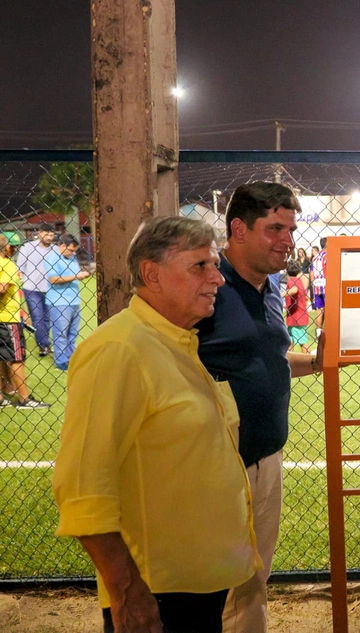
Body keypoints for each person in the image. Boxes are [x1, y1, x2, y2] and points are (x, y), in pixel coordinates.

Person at [52, 216, 260, 633]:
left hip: (194, 588)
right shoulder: (119, 349)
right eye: (199, 265)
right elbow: (82, 484)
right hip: (158, 593)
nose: (217, 278)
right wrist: (125, 590)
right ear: (152, 274)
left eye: (214, 264)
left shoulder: (174, 342)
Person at [196, 181, 325, 633]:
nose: (287, 240)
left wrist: (317, 362)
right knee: (218, 585)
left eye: (290, 229)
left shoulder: (270, 287)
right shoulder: (206, 285)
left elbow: (267, 359)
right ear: (238, 228)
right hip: (218, 460)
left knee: (253, 578)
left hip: (267, 454)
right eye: (274, 228)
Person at [0, 233, 49, 409]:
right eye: (12, 246)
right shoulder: (7, 265)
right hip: (8, 319)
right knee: (16, 358)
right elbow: (3, 289)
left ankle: (4, 392)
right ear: (5, 247)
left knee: (2, 357)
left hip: (5, 317)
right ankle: (24, 399)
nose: (14, 250)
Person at [45, 234, 90, 370]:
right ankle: (61, 362)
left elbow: (73, 274)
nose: (73, 253)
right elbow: (53, 279)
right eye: (71, 250)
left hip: (74, 299)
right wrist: (76, 276)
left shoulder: (71, 258)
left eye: (74, 250)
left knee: (73, 333)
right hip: (59, 301)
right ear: (63, 246)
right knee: (61, 333)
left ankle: (71, 358)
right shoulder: (52, 258)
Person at [16, 222, 56, 355]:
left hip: (51, 289)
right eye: (46, 234)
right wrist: (20, 281)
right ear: (39, 233)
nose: (49, 237)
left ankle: (44, 341)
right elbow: (20, 266)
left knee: (47, 318)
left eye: (51, 235)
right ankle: (43, 345)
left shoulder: (56, 250)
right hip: (31, 288)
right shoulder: (28, 247)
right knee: (37, 317)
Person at [283, 259, 311, 353]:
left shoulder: (292, 281)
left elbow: (294, 290)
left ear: (286, 271)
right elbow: (303, 295)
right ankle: (291, 361)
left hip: (296, 318)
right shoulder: (299, 280)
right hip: (296, 317)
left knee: (302, 341)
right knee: (290, 340)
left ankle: (307, 360)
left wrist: (281, 295)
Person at [310, 238, 328, 329]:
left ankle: (318, 331)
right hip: (327, 285)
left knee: (319, 310)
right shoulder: (328, 256)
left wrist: (313, 284)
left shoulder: (315, 257)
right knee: (329, 309)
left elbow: (312, 272)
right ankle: (328, 331)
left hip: (317, 286)